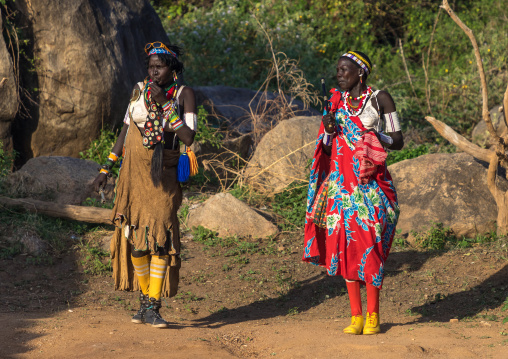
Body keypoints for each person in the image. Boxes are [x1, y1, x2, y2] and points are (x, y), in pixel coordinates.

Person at [93, 41, 197, 328]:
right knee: (137, 240)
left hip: (164, 175)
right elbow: (125, 130)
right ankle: (144, 302)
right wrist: (106, 167)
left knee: (160, 238)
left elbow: (188, 138)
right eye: (151, 66)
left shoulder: (183, 95)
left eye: (160, 67)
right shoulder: (138, 90)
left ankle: (154, 305)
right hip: (133, 172)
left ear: (172, 68)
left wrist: (165, 103)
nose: (153, 72)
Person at [303, 51, 403, 335]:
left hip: (371, 185)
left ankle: (373, 315)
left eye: (345, 70)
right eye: (337, 70)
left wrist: (372, 136)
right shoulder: (334, 101)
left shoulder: (380, 99)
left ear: (361, 73)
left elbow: (398, 141)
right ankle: (355, 316)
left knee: (369, 245)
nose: (339, 74)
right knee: (345, 248)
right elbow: (323, 150)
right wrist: (329, 131)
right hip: (340, 186)